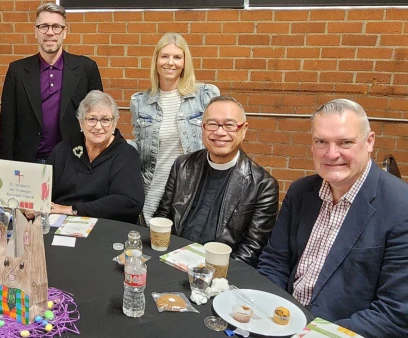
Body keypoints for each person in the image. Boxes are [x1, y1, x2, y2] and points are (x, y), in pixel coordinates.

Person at [258, 99, 408, 337]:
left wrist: (312, 333)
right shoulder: (301, 192)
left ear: (369, 142)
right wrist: (267, 313)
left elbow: (395, 313)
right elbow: (274, 262)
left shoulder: (401, 208)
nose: (331, 154)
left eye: (345, 142)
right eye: (321, 142)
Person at [154, 96, 278, 267]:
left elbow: (252, 249)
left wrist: (213, 276)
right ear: (202, 128)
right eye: (212, 124)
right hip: (170, 261)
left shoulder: (262, 185)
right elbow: (163, 216)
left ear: (244, 129)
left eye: (229, 125)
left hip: (220, 274)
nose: (220, 132)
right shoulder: (182, 165)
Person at [130, 33, 220, 225]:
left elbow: (218, 143)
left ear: (185, 62)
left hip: (193, 191)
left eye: (177, 57)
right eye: (164, 56)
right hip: (152, 189)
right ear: (156, 60)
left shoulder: (205, 95)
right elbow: (139, 148)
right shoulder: (140, 102)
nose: (170, 63)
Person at [0, 3, 103, 163]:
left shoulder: (86, 69)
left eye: (56, 27)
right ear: (35, 31)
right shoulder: (17, 71)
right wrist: (5, 166)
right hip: (29, 163)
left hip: (73, 162)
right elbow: (7, 125)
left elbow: (98, 119)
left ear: (65, 32)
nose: (50, 32)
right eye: (44, 26)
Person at [48, 91, 143, 224]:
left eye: (105, 120)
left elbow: (130, 202)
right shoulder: (63, 150)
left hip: (107, 229)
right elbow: (44, 191)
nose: (98, 127)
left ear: (115, 123)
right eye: (91, 119)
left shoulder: (126, 155)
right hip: (59, 224)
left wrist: (73, 209)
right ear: (81, 122)